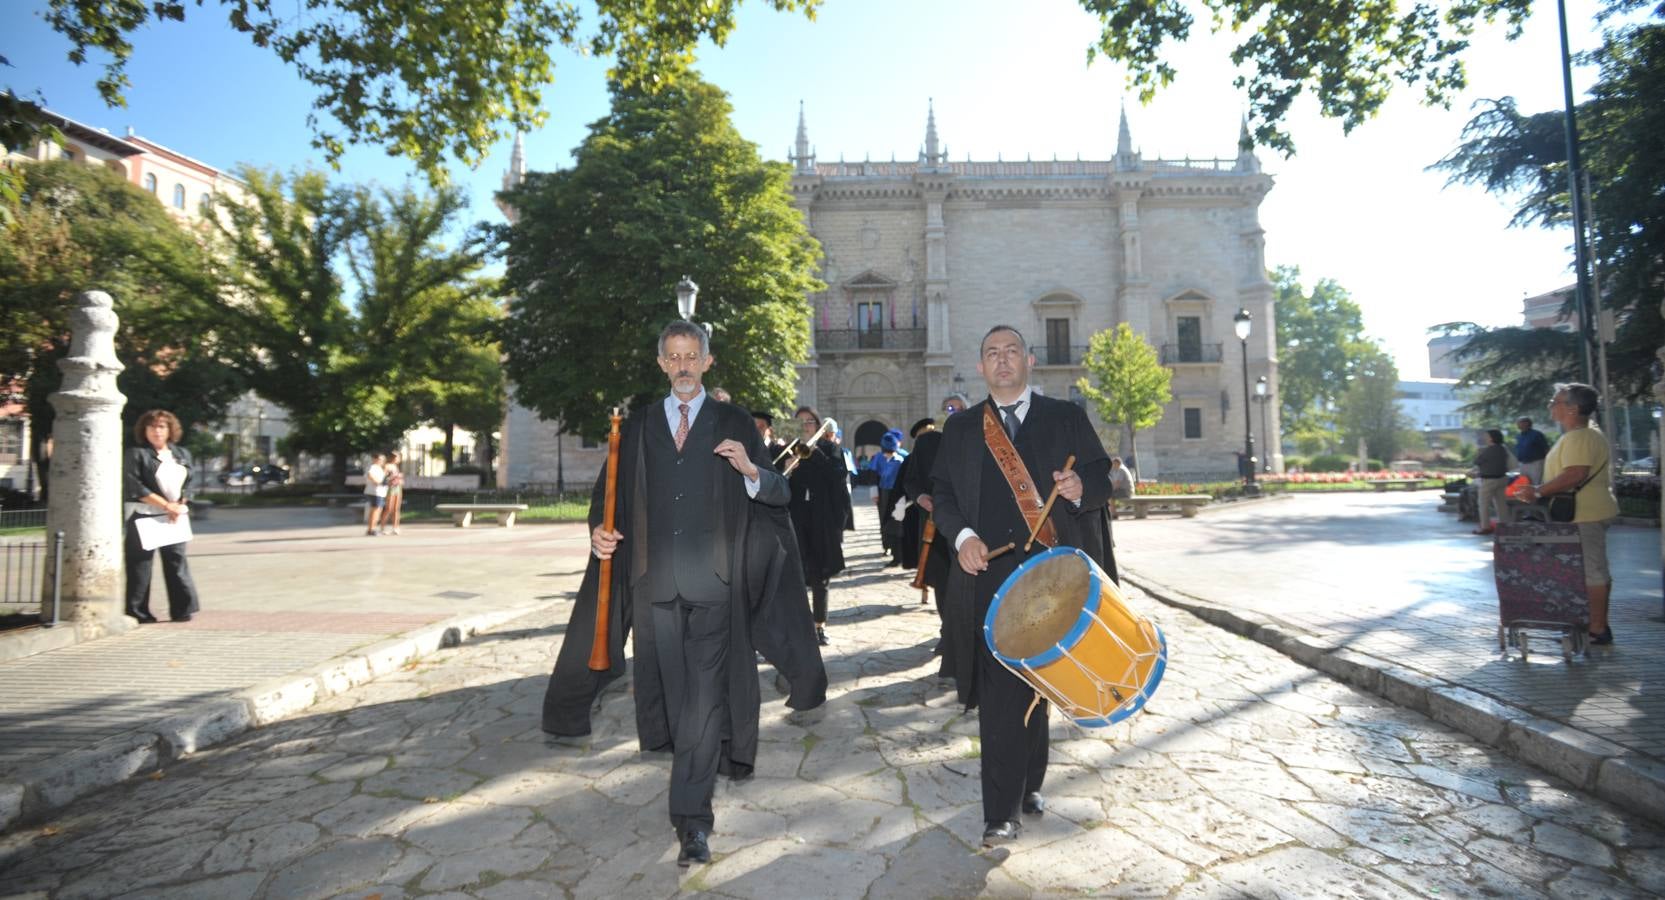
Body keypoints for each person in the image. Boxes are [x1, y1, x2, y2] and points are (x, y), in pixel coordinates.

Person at [539, 320, 827, 867]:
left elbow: (780, 491)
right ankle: (700, 767)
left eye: (692, 356)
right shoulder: (638, 426)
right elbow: (608, 495)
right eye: (673, 357)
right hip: (654, 590)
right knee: (676, 702)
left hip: (716, 589)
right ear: (661, 364)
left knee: (700, 702)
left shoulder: (735, 421)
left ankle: (692, 822)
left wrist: (749, 471)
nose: (684, 366)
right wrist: (598, 533)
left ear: (707, 361)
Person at [931, 324, 1115, 847]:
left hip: (1059, 580)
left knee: (1040, 687)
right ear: (981, 366)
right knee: (1000, 694)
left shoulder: (1066, 417)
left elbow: (1104, 476)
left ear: (1030, 361)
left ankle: (1030, 784)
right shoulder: (964, 428)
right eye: (992, 353)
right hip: (991, 579)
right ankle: (1000, 812)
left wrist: (1083, 487)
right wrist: (962, 535)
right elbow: (942, 494)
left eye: (1012, 351)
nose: (1003, 360)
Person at [1515, 383, 1620, 645]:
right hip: (1587, 509)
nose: (1551, 405)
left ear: (1572, 408)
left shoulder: (1578, 437)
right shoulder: (1584, 434)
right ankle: (1592, 625)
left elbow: (1575, 474)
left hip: (1585, 511)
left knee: (1592, 571)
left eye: (1556, 401)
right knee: (1593, 570)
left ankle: (1597, 629)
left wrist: (1538, 491)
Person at [123, 409, 201, 623]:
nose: (156, 431)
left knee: (177, 561)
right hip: (143, 515)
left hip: (174, 516)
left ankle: (182, 608)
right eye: (152, 427)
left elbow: (191, 483)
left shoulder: (181, 454)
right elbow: (134, 485)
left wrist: (179, 504)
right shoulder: (136, 454)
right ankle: (137, 611)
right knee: (141, 565)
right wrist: (167, 505)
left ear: (170, 430)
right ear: (144, 430)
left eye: (161, 426)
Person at [788, 406, 848, 646]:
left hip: (821, 520)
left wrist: (816, 454)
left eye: (810, 421)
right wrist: (790, 465)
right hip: (796, 519)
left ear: (819, 425)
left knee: (820, 575)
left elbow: (838, 477)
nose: (805, 425)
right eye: (800, 422)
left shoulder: (829, 449)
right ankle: (799, 624)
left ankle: (819, 625)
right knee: (795, 574)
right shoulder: (787, 450)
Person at [865, 430, 907, 565]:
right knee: (884, 519)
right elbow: (873, 476)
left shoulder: (901, 459)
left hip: (897, 495)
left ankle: (897, 552)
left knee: (896, 522)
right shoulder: (879, 457)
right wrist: (874, 493)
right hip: (883, 493)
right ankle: (887, 545)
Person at [1471, 429, 1513, 535]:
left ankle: (1485, 527)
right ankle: (1505, 526)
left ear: (1491, 438)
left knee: (1483, 504)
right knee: (1501, 504)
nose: (1485, 438)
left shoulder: (1488, 450)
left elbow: (1477, 461)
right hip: (1502, 478)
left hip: (1489, 480)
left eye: (1487, 436)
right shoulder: (1503, 449)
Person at [1515, 417, 1550, 486]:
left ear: (1526, 423)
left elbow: (1546, 448)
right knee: (1524, 483)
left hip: (1535, 463)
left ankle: (1537, 496)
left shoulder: (1537, 434)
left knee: (1536, 483)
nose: (1517, 424)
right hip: (1523, 464)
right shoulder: (1518, 436)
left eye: (1519, 422)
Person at [362, 453, 389, 536]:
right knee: (375, 510)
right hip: (374, 491)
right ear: (375, 459)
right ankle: (371, 529)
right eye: (380, 459)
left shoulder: (379, 468)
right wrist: (376, 481)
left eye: (383, 460)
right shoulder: (372, 466)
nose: (382, 461)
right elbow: (369, 475)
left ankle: (372, 528)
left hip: (380, 492)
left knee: (378, 510)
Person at [382, 450, 405, 535]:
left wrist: (399, 479)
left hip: (397, 487)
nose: (398, 459)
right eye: (396, 457)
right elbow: (384, 477)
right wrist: (391, 478)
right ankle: (382, 527)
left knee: (396, 508)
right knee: (389, 508)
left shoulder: (396, 466)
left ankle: (395, 527)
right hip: (390, 488)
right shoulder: (387, 466)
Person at [1108, 456, 1135, 520]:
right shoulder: (1117, 470)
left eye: (1113, 463)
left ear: (1118, 463)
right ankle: (1113, 514)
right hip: (1122, 490)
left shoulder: (1121, 470)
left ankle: (1114, 514)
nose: (1112, 465)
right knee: (1110, 495)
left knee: (1110, 496)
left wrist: (1109, 491)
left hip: (1127, 491)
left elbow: (1117, 484)